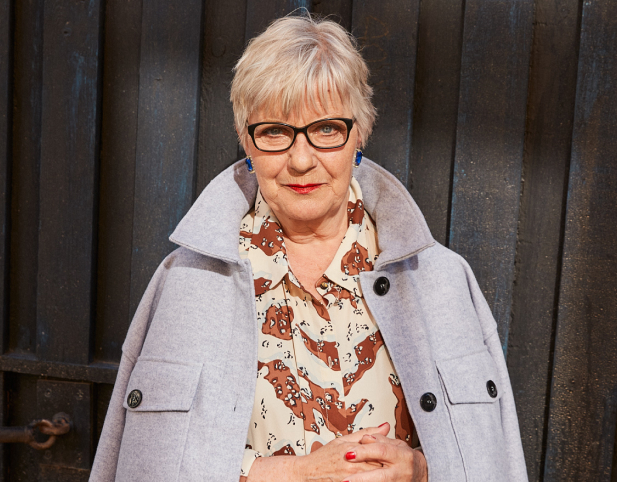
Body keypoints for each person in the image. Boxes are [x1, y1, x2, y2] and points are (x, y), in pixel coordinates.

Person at [90, 14, 528, 482]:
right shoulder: (187, 283)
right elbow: (147, 466)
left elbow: (493, 462)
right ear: (246, 140)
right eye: (275, 132)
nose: (301, 160)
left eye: (326, 129)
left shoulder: (442, 280)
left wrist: (422, 470)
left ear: (360, 134)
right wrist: (295, 473)